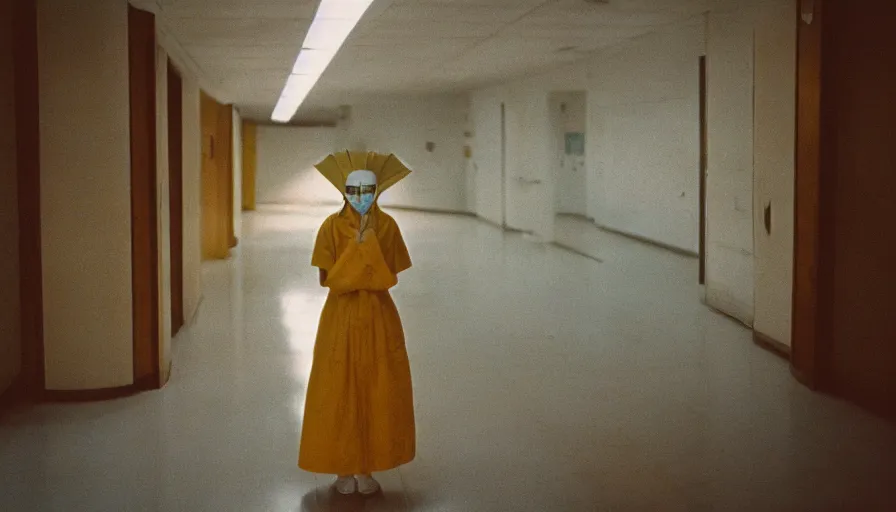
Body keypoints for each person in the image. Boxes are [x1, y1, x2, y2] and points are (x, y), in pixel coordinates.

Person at [298, 150, 416, 495]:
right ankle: (343, 467)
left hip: (379, 315)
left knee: (377, 386)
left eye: (368, 191)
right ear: (343, 192)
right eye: (354, 191)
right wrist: (359, 253)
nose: (361, 198)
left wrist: (369, 248)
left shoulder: (388, 226)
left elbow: (390, 275)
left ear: (378, 191)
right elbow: (328, 278)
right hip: (341, 316)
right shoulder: (330, 227)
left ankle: (367, 466)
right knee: (338, 387)